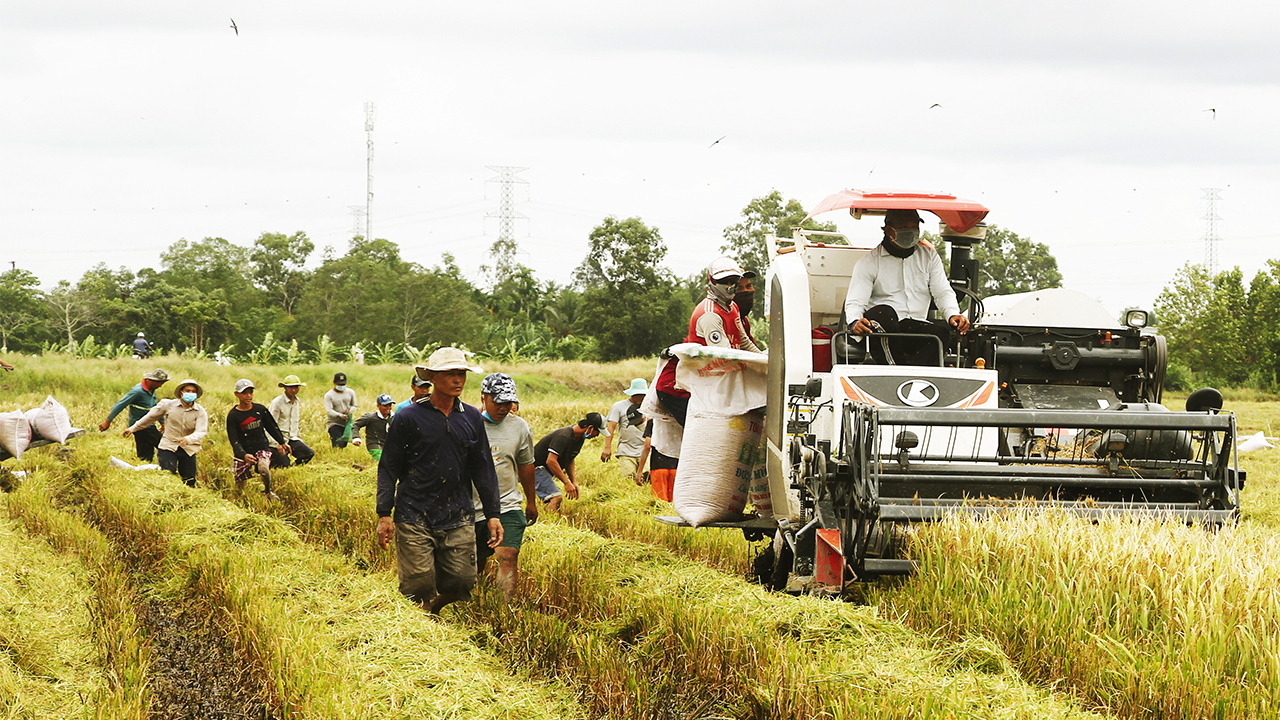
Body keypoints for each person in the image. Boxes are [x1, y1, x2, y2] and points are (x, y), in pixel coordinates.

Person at [375, 347, 502, 615]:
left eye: (461, 374)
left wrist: (493, 514)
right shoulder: (408, 418)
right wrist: (384, 514)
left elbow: (483, 469)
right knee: (418, 584)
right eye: (450, 374)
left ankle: (432, 610)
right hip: (414, 512)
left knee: (462, 582)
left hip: (458, 513)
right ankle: (421, 631)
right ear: (432, 377)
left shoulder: (471, 418)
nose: (458, 379)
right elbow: (388, 468)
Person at [843, 208, 970, 365]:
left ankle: (918, 379)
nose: (910, 232)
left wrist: (953, 314)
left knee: (940, 333)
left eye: (914, 226)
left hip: (914, 326)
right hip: (882, 327)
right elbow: (855, 301)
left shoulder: (929, 257)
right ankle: (895, 371)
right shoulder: (868, 263)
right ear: (888, 229)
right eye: (904, 227)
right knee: (883, 313)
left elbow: (942, 292)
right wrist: (855, 321)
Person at [654, 257, 761, 426]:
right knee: (705, 436)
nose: (730, 285)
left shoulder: (732, 308)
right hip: (682, 388)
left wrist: (765, 362)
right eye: (724, 281)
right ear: (711, 282)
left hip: (708, 383)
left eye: (734, 280)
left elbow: (744, 343)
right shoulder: (710, 314)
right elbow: (726, 357)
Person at [473, 373, 538, 603]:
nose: (503, 408)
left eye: (508, 403)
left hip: (507, 503)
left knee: (509, 554)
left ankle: (504, 608)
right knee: (475, 563)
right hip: (473, 506)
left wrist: (531, 500)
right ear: (484, 398)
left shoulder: (519, 427)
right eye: (498, 402)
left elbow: (526, 465)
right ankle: (471, 598)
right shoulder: (468, 424)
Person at [124, 379, 208, 487]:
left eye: (193, 391)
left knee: (189, 479)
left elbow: (201, 431)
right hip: (169, 445)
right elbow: (150, 418)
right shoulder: (168, 405)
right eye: (188, 390)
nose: (190, 393)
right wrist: (133, 428)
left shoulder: (200, 411)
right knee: (168, 473)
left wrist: (188, 439)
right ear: (181, 392)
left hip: (188, 448)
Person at [227, 378, 291, 500]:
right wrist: (243, 455)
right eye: (245, 393)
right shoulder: (233, 415)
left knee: (263, 468)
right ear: (237, 394)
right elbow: (234, 439)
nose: (248, 396)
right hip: (244, 450)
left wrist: (282, 442)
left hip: (261, 446)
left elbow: (272, 427)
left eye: (250, 392)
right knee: (240, 484)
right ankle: (239, 499)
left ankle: (268, 491)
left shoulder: (260, 410)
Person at [533, 413, 605, 512]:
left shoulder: (578, 438)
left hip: (544, 470)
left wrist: (573, 482)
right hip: (536, 468)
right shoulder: (564, 436)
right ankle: (547, 524)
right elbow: (551, 461)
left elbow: (570, 459)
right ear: (590, 428)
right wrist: (566, 483)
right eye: (597, 432)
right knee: (556, 498)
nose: (597, 436)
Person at [100, 368, 170, 461]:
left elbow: (155, 409)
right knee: (164, 445)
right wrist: (107, 421)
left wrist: (162, 423)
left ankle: (145, 465)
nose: (160, 386)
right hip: (140, 425)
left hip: (148, 424)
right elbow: (120, 405)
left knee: (145, 451)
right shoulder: (137, 391)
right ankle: (169, 465)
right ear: (151, 380)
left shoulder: (151, 390)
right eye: (159, 383)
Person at [601, 378, 649, 479]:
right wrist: (607, 447)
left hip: (646, 449)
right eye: (638, 394)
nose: (641, 397)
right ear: (632, 394)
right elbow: (611, 427)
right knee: (629, 478)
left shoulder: (649, 407)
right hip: (626, 449)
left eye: (643, 395)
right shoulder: (619, 406)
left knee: (647, 477)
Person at [268, 374, 315, 466]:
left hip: (292, 438)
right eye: (291, 387)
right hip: (279, 439)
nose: (294, 390)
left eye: (296, 387)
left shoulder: (297, 401)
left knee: (308, 453)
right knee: (283, 464)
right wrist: (277, 444)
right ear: (285, 388)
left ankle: (294, 467)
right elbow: (270, 425)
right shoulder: (277, 402)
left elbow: (294, 422)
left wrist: (299, 438)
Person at [352, 394, 396, 462]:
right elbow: (356, 425)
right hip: (374, 444)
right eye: (385, 405)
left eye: (390, 405)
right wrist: (356, 437)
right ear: (378, 406)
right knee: (384, 461)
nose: (388, 408)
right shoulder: (370, 417)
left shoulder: (395, 417)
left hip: (389, 445)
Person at [324, 372, 358, 448]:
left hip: (346, 423)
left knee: (343, 444)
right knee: (337, 442)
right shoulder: (329, 395)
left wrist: (350, 411)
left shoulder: (350, 392)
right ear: (334, 383)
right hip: (334, 422)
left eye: (343, 384)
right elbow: (329, 410)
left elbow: (354, 405)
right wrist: (340, 415)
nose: (341, 386)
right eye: (339, 385)